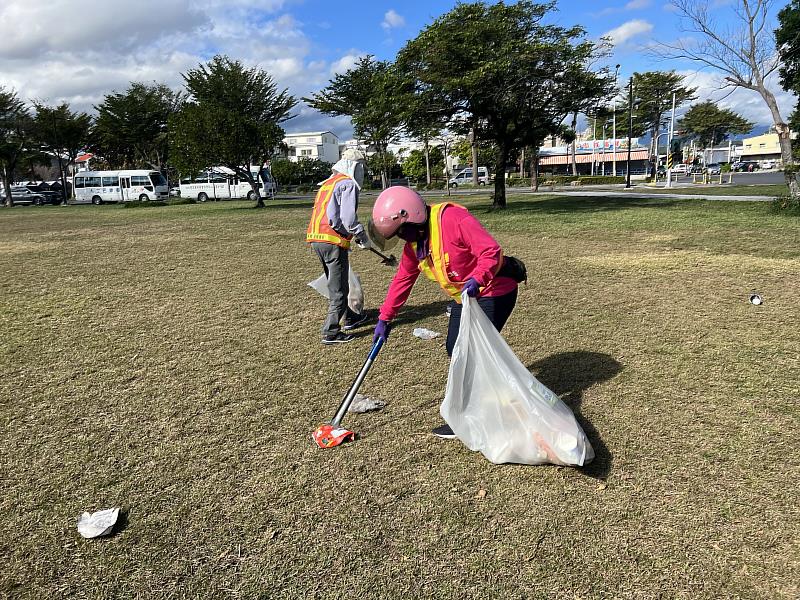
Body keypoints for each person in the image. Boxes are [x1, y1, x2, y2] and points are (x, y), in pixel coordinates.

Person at [369, 187, 519, 438]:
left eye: (401, 232)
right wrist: (385, 318)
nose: (403, 239)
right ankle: (493, 401)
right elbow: (403, 280)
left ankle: (475, 416)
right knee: (455, 347)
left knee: (471, 352)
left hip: (495, 290)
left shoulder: (452, 220)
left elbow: (491, 251)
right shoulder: (417, 244)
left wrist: (478, 278)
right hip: (466, 297)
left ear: (412, 216)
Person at [307, 149, 371, 345]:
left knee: (338, 282)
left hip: (317, 240)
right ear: (355, 167)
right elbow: (346, 219)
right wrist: (361, 236)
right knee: (340, 290)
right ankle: (331, 331)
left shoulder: (328, 183)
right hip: (331, 242)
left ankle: (351, 317)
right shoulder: (347, 184)